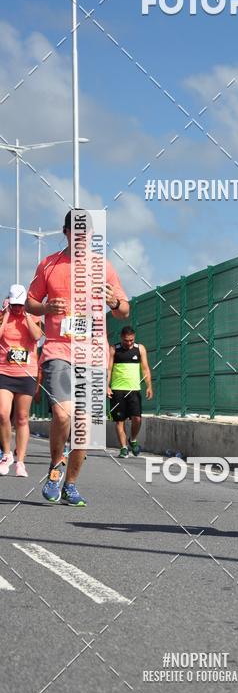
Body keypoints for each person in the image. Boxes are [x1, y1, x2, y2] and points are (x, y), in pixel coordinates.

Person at [26, 210, 129, 506]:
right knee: (62, 414)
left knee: (83, 426)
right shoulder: (49, 264)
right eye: (76, 232)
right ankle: (55, 468)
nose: (81, 237)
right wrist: (46, 309)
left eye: (86, 232)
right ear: (66, 232)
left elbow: (123, 311)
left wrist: (114, 302)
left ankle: (70, 484)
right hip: (58, 349)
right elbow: (31, 303)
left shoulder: (103, 267)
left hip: (93, 353)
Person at [0, 284, 43, 477]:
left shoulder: (33, 317)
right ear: (9, 302)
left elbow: (37, 336)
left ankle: (21, 462)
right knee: (3, 413)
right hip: (4, 371)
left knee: (22, 417)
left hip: (26, 373)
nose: (17, 308)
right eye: (14, 305)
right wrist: (6, 315)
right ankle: (6, 454)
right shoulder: (3, 315)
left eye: (20, 304)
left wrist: (26, 315)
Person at [107, 326, 153, 457]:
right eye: (126, 340)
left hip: (134, 389)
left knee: (137, 418)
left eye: (131, 340)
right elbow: (109, 369)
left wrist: (149, 386)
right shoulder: (114, 349)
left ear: (134, 337)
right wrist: (107, 386)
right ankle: (123, 448)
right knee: (119, 421)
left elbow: (145, 368)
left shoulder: (140, 349)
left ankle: (132, 439)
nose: (129, 343)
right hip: (117, 390)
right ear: (121, 337)